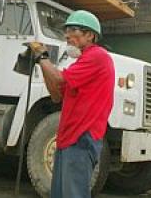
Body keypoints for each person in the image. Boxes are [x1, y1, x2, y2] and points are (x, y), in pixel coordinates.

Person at [29, 10, 114, 198]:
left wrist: (43, 58)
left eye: (73, 30)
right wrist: (41, 62)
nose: (67, 36)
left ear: (90, 35)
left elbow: (59, 79)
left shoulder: (97, 56)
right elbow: (56, 96)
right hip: (69, 138)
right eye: (66, 31)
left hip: (82, 137)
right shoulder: (81, 62)